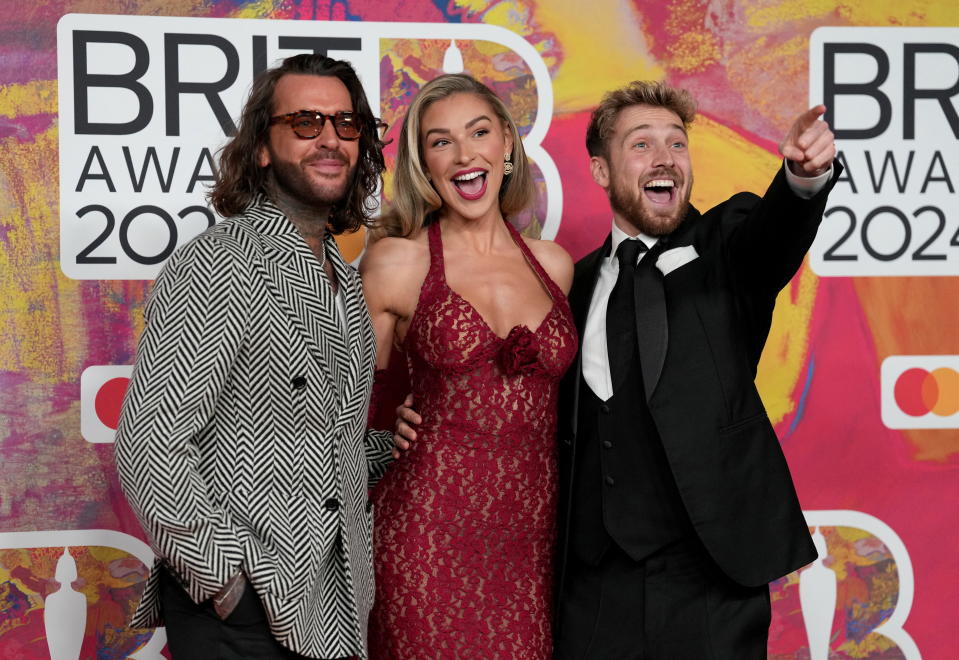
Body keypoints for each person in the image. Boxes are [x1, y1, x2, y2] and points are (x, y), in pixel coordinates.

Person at [114, 54, 393, 660]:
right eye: (305, 122)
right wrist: (227, 585)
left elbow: (308, 441)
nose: (330, 139)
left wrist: (385, 445)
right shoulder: (222, 262)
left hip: (332, 613)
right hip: (246, 617)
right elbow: (149, 447)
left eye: (347, 125)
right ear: (261, 148)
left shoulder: (343, 280)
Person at [550, 81, 840, 658]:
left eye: (676, 144)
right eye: (641, 145)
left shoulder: (728, 246)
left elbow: (774, 236)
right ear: (602, 171)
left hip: (711, 579)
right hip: (595, 587)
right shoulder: (567, 285)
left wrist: (802, 181)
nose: (665, 159)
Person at [359, 73, 577, 658]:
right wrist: (384, 432)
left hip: (528, 547)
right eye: (440, 141)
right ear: (423, 165)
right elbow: (340, 408)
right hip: (425, 536)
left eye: (478, 132)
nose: (463, 154)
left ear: (506, 142)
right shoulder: (396, 262)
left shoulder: (554, 266)